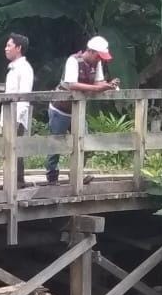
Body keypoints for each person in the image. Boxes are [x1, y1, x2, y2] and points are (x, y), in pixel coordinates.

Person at [46, 36, 119, 184]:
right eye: (99, 56)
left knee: (85, 141)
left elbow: (98, 81)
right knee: (56, 143)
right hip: (60, 108)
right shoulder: (73, 61)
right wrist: (98, 87)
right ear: (91, 52)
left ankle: (76, 174)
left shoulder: (96, 64)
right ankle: (52, 176)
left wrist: (108, 85)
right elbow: (72, 84)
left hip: (78, 109)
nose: (100, 59)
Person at [3, 33, 34, 186]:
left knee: (15, 149)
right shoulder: (14, 69)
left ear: (19, 48)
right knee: (10, 149)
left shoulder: (25, 69)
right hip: (9, 115)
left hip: (16, 116)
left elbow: (24, 97)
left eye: (9, 45)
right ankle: (13, 182)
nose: (6, 48)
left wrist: (16, 119)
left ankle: (17, 182)